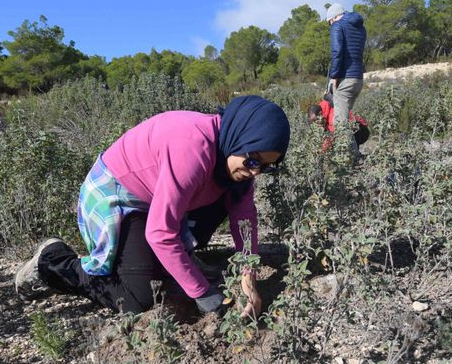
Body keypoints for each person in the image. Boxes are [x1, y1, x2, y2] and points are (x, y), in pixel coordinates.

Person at [14, 95, 290, 319]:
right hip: (118, 196)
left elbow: (245, 220)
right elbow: (160, 232)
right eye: (253, 161)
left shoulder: (233, 158)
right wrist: (201, 292)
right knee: (138, 297)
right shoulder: (193, 150)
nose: (256, 172)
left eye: (266, 167)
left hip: (160, 198)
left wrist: (248, 280)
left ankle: (176, 260)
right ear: (240, 138)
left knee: (229, 195)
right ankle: (52, 262)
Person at [326, 2, 366, 151]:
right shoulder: (361, 28)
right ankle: (352, 154)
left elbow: (337, 52)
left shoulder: (338, 26)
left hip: (344, 79)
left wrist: (334, 76)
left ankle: (349, 159)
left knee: (340, 124)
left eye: (329, 22)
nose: (330, 25)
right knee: (345, 120)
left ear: (335, 17)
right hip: (358, 79)